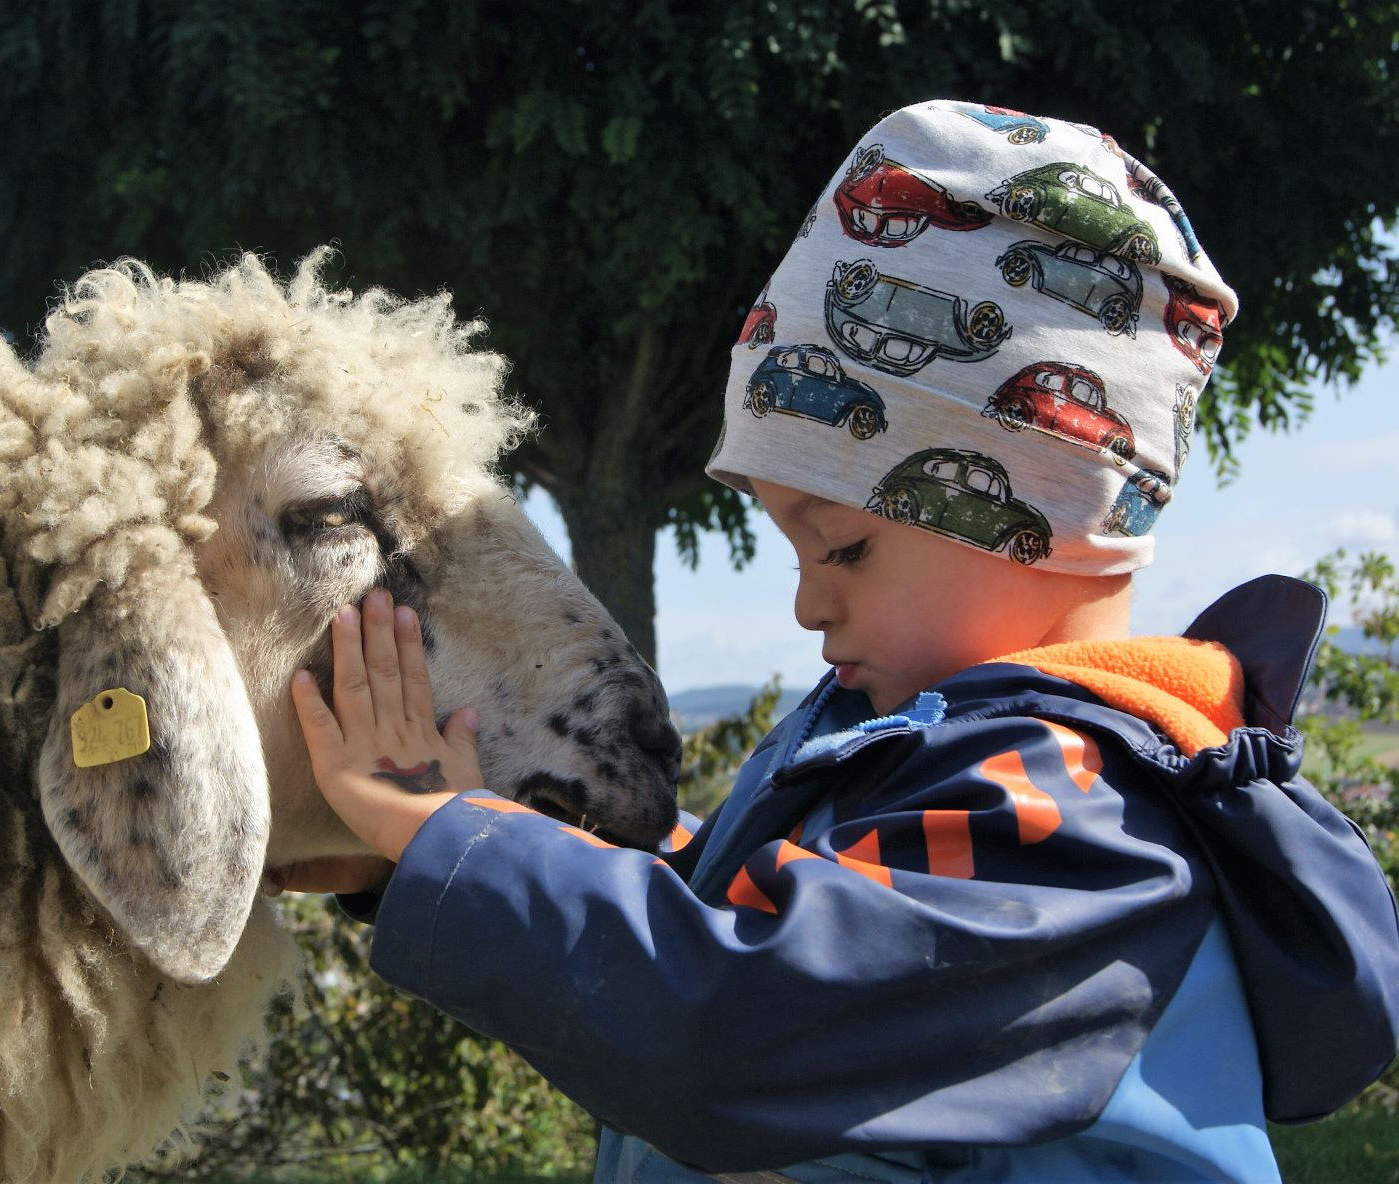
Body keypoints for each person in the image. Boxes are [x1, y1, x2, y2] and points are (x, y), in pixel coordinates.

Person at [275, 100, 1399, 1182]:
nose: (808, 604)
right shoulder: (933, 750)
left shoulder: (1075, 821)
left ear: (1044, 511)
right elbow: (742, 918)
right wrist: (443, 846)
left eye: (843, 547)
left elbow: (730, 1026)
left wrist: (466, 858)